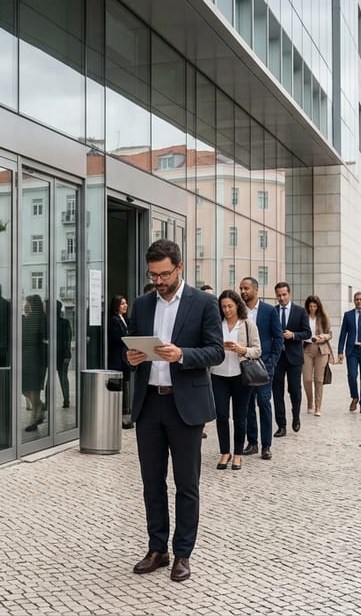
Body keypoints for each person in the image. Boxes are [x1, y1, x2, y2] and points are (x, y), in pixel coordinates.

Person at [126, 239, 223, 582]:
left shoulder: (205, 303)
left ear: (180, 268)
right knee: (152, 483)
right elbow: (135, 348)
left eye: (164, 274)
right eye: (153, 275)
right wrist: (132, 358)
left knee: (186, 484)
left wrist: (181, 354)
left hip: (186, 407)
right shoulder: (140, 304)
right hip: (149, 404)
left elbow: (216, 352)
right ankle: (157, 549)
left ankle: (183, 553)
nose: (159, 281)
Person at [211, 291, 261, 470]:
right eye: (223, 306)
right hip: (219, 375)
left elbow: (257, 350)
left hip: (241, 376)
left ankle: (238, 453)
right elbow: (209, 346)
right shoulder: (217, 324)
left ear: (237, 305)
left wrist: (241, 349)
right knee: (222, 415)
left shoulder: (248, 324)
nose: (227, 310)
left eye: (230, 306)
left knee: (240, 417)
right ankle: (225, 451)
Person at [239, 277, 282, 459]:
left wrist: (271, 362)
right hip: (243, 366)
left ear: (255, 290)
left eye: (246, 288)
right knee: (247, 406)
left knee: (264, 403)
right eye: (241, 288)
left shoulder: (269, 310)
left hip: (263, 367)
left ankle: (266, 446)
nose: (243, 291)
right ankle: (252, 443)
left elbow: (278, 338)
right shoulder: (238, 311)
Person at [271, 281, 310, 436]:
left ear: (289, 294)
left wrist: (293, 335)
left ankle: (296, 417)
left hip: (294, 357)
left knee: (294, 389)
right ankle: (281, 425)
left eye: (284, 295)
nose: (281, 298)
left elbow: (307, 333)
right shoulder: (272, 311)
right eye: (279, 295)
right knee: (277, 392)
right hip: (277, 358)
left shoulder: (300, 311)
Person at [21, 294, 49, 431]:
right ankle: (40, 406)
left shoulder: (33, 320)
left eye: (28, 304)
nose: (26, 306)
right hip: (33, 358)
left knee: (32, 389)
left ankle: (34, 420)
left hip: (33, 358)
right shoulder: (39, 319)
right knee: (30, 389)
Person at [302, 295, 333, 416]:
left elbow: (330, 333)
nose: (312, 308)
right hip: (307, 349)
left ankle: (318, 406)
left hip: (321, 350)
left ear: (318, 306)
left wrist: (323, 337)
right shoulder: (304, 317)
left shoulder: (323, 317)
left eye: (314, 306)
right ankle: (310, 402)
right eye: (310, 306)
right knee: (307, 379)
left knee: (319, 380)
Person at [107, 295, 133, 429]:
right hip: (117, 357)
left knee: (125, 385)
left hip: (123, 357)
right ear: (116, 305)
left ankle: (125, 414)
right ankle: (119, 416)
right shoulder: (113, 320)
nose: (125, 306)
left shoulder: (124, 319)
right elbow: (118, 338)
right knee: (118, 385)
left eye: (126, 303)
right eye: (122, 304)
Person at [55, 301, 73, 408]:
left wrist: (67, 354)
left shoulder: (64, 322)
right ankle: (66, 400)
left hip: (61, 354)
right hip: (59, 354)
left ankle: (66, 400)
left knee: (62, 377)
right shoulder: (64, 322)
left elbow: (68, 339)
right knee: (62, 377)